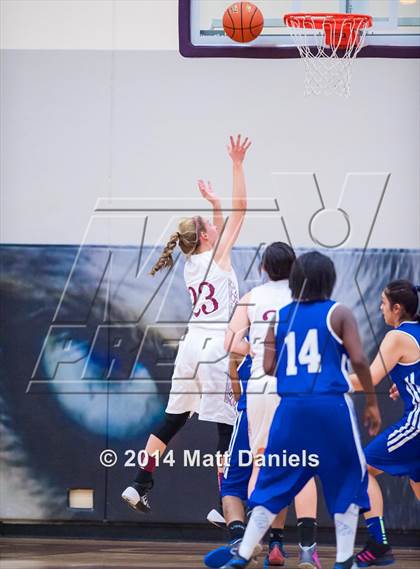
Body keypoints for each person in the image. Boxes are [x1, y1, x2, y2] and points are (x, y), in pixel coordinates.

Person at [223, 251, 381, 569]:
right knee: (349, 477)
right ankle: (343, 558)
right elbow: (361, 361)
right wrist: (373, 402)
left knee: (270, 478)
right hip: (330, 405)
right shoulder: (338, 313)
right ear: (328, 280)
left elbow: (267, 366)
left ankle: (242, 555)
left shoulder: (279, 316)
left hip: (290, 409)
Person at [121, 135, 251, 513]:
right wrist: (237, 164)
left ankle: (139, 482)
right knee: (226, 427)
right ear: (207, 237)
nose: (216, 227)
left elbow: (221, 221)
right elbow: (241, 210)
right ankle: (224, 506)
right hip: (215, 346)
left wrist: (213, 205)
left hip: (191, 344)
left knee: (173, 417)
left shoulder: (192, 263)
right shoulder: (219, 257)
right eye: (211, 225)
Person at [223, 242, 320, 568]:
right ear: (295, 267)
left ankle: (256, 543)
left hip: (262, 386)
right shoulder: (305, 297)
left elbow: (230, 343)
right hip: (297, 386)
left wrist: (254, 344)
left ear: (264, 267)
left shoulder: (252, 297)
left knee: (262, 463)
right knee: (301, 465)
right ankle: (307, 549)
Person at [351, 280, 420, 567]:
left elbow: (367, 379)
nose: (379, 309)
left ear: (397, 308)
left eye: (383, 303)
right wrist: (405, 385)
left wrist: (322, 380)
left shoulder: (398, 336)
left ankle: (378, 544)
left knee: (361, 469)